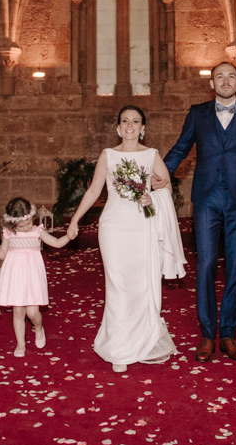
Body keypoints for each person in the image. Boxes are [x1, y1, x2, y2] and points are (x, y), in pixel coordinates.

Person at [157, 61, 236, 363]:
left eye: (231, 76)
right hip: (207, 198)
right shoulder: (198, 113)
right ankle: (208, 335)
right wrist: (159, 175)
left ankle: (229, 335)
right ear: (212, 84)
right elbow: (180, 148)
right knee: (207, 264)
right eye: (219, 77)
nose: (225, 81)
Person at [66, 105, 181, 373]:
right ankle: (119, 347)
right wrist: (75, 220)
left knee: (140, 285)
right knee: (118, 286)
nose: (130, 125)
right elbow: (95, 190)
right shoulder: (108, 155)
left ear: (143, 128)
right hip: (114, 228)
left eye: (136, 121)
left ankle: (143, 340)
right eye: (125, 121)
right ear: (118, 127)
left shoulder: (152, 155)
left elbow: (167, 188)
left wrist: (153, 196)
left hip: (143, 227)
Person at [0, 197, 71, 357]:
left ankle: (39, 328)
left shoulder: (37, 231)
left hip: (32, 276)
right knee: (18, 312)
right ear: (13, 224)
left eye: (29, 223)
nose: (27, 227)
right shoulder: (8, 233)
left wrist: (69, 236)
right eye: (22, 226)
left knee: (33, 313)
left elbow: (56, 243)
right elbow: (2, 255)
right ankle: (20, 344)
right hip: (15, 276)